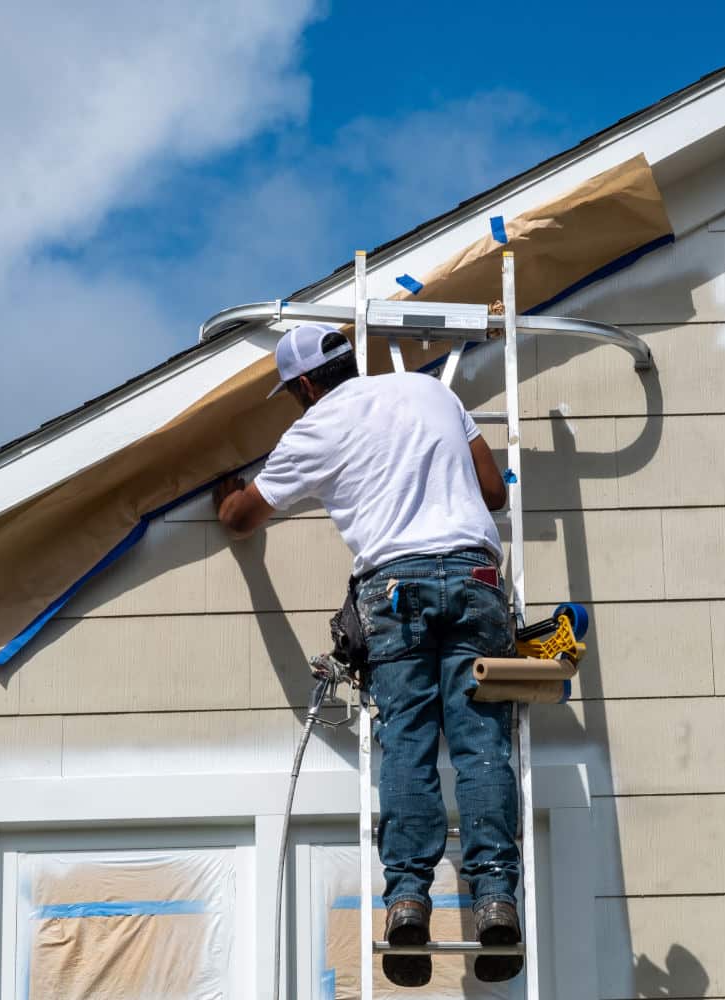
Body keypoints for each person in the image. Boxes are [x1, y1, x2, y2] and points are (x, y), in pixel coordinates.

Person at [213, 323, 521, 987]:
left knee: (407, 743)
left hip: (397, 586)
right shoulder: (430, 392)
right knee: (481, 743)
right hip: (476, 577)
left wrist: (224, 495)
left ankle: (408, 901)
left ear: (300, 385)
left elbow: (243, 518)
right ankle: (496, 899)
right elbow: (493, 493)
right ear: (350, 360)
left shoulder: (316, 427)